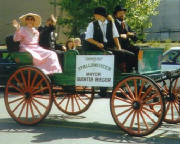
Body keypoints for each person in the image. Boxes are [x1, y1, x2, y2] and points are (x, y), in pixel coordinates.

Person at [84, 6, 135, 72]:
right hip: (98, 48)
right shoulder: (92, 24)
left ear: (100, 15)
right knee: (119, 54)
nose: (94, 16)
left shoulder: (111, 23)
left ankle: (127, 73)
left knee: (131, 55)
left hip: (109, 47)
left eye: (95, 14)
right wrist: (97, 43)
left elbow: (115, 37)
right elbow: (88, 38)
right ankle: (119, 72)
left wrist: (119, 48)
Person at [113, 5, 139, 71]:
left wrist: (131, 34)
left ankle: (138, 69)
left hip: (127, 46)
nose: (122, 14)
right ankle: (130, 71)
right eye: (120, 13)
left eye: (123, 13)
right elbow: (113, 36)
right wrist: (122, 35)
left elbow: (135, 37)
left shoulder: (126, 24)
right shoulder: (113, 24)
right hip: (118, 47)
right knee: (133, 52)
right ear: (115, 15)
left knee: (139, 49)